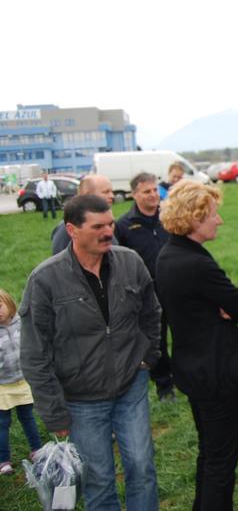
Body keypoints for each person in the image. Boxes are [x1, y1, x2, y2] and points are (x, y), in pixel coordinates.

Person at [19, 194, 161, 511]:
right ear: (72, 230)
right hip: (81, 399)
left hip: (131, 385)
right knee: (99, 480)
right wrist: (54, 412)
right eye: (98, 226)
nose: (108, 232)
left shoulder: (130, 262)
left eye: (110, 224)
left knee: (142, 467)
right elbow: (34, 353)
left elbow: (152, 313)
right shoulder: (45, 280)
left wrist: (148, 357)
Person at [156, 181, 238, 511]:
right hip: (215, 373)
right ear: (194, 218)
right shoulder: (196, 264)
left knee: (210, 452)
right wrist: (230, 306)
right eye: (214, 214)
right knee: (221, 460)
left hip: (192, 368)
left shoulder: (167, 255)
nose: (220, 220)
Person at [115, 172, 174, 401]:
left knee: (185, 333)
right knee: (156, 339)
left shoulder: (169, 218)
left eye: (155, 190)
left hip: (174, 288)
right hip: (147, 294)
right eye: (146, 191)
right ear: (134, 194)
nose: (152, 195)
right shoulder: (124, 226)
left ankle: (186, 375)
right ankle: (164, 385)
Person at [0, 289, 42, 476]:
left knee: (27, 417)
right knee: (2, 422)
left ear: (8, 304)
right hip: (2, 386)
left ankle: (37, 449)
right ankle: (4, 460)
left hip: (23, 381)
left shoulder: (21, 324)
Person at [51, 173, 116, 254]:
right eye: (106, 192)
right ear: (87, 194)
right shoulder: (68, 230)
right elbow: (61, 259)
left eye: (112, 192)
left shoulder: (108, 224)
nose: (112, 196)